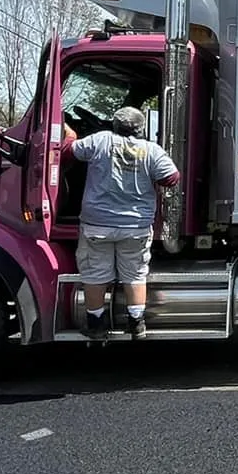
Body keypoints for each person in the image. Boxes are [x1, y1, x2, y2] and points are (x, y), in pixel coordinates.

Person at [63, 106, 179, 340]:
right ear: (141, 128)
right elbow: (171, 178)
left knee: (95, 274)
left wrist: (70, 133)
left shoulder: (100, 140)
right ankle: (136, 324)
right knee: (135, 273)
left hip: (97, 224)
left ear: (114, 125)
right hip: (136, 226)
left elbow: (68, 153)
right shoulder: (151, 150)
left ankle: (96, 325)